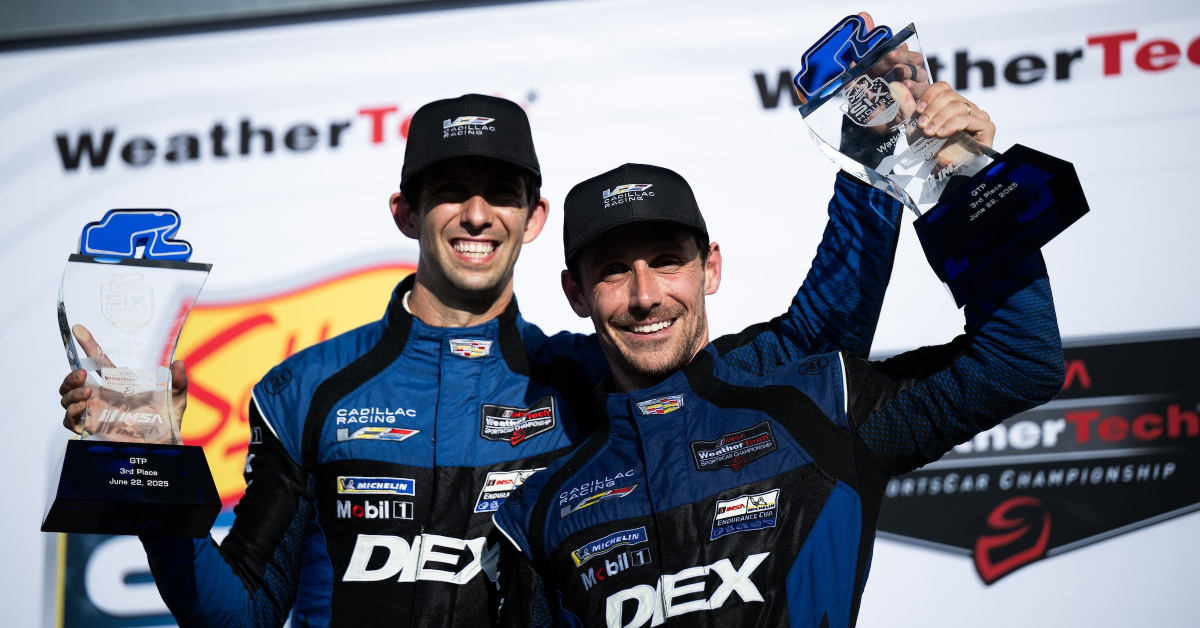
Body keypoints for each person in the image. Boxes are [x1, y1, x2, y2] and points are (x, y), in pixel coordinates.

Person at [56, 89, 905, 627]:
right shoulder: (307, 390)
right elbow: (235, 614)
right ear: (405, 211)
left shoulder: (597, 376)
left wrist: (873, 136)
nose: (475, 214)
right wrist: (148, 467)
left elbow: (811, 342)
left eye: (500, 192)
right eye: (449, 191)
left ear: (534, 217)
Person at [492, 92, 1065, 627]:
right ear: (576, 294)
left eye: (667, 261)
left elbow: (1018, 362)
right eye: (614, 271)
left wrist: (966, 184)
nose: (645, 296)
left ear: (710, 269)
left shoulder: (820, 410)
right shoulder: (537, 514)